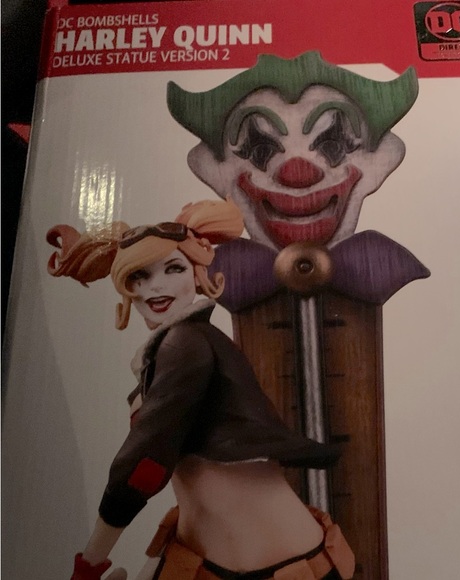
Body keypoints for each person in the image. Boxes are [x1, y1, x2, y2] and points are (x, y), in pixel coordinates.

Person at [47, 199, 354, 580]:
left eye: (173, 268)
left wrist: (91, 562)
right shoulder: (166, 351)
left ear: (197, 274)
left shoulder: (187, 345)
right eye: (139, 275)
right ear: (127, 288)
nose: (156, 286)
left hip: (278, 566)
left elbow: (144, 463)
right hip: (201, 555)